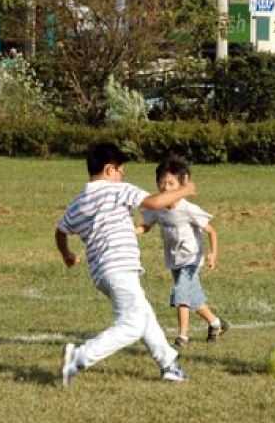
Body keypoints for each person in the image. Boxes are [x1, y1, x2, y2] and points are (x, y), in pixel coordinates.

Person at [55, 142, 196, 386]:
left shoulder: (80, 201)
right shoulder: (118, 190)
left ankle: (169, 365)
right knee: (132, 324)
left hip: (102, 273)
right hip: (119, 266)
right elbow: (153, 203)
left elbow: (60, 230)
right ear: (110, 170)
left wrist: (67, 254)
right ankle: (79, 357)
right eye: (121, 171)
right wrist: (184, 191)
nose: (122, 176)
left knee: (144, 315)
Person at [136, 157, 229, 348]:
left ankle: (182, 336)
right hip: (173, 259)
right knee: (193, 297)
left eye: (171, 183)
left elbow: (211, 231)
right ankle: (216, 323)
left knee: (181, 295)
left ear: (181, 185)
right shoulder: (158, 208)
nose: (165, 187)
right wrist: (129, 231)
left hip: (191, 258)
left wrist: (213, 254)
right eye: (162, 182)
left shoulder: (188, 209)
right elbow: (145, 226)